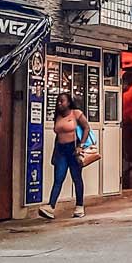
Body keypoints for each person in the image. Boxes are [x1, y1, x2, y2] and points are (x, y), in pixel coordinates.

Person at [38, 91, 88, 219]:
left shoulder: (76, 114)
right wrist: (55, 153)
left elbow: (86, 128)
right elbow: (57, 135)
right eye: (58, 101)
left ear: (69, 102)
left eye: (62, 101)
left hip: (73, 148)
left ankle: (80, 206)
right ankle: (51, 206)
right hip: (61, 149)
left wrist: (80, 146)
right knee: (58, 178)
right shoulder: (58, 116)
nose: (59, 103)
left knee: (76, 177)